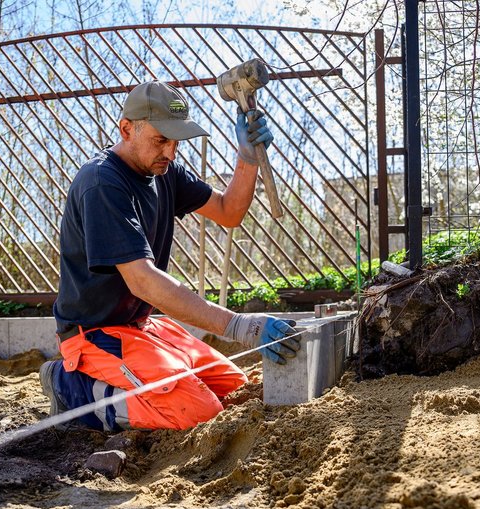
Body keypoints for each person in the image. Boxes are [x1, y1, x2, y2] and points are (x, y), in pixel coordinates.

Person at [39, 80, 300, 432]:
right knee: (197, 413)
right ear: (127, 129)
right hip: (94, 335)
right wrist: (239, 326)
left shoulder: (163, 171)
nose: (170, 152)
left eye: (176, 140)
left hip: (143, 329)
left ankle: (127, 382)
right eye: (160, 140)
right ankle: (71, 387)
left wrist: (247, 157)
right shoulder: (102, 183)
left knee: (237, 390)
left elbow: (229, 211)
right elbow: (143, 281)